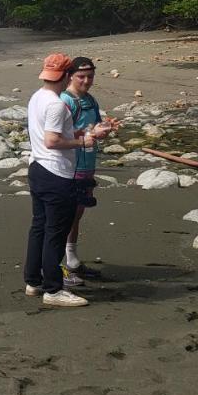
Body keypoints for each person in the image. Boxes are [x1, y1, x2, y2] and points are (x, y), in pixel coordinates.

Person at [23, 52, 110, 308]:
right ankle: (53, 289)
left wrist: (86, 132)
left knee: (39, 227)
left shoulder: (37, 97)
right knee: (55, 232)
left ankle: (33, 281)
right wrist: (82, 141)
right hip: (56, 173)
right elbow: (53, 141)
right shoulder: (56, 104)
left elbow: (52, 132)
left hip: (37, 168)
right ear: (67, 75)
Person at [59, 57, 117, 287]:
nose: (86, 81)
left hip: (87, 164)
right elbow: (60, 135)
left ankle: (72, 259)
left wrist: (105, 128)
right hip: (71, 166)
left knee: (78, 213)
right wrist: (90, 135)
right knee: (66, 215)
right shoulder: (65, 101)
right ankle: (59, 265)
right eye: (81, 76)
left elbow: (93, 128)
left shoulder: (90, 100)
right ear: (70, 76)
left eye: (90, 76)